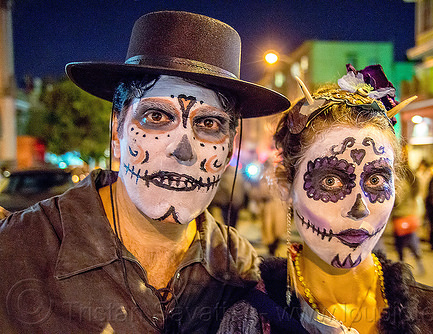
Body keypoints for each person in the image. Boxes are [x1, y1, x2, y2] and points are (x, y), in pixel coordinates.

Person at [0, 11, 290, 333]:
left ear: (230, 146)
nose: (184, 150)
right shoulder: (16, 251)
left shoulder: (239, 266)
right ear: (117, 129)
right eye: (155, 116)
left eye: (209, 124)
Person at [218, 64, 433, 333]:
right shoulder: (249, 321)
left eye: (376, 180)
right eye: (331, 181)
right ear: (286, 184)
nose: (359, 208)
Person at [391, 160, 425, 276]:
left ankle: (404, 269)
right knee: (412, 240)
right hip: (410, 216)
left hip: (401, 216)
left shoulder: (402, 185)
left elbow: (397, 201)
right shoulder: (412, 183)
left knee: (401, 244)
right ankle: (418, 263)